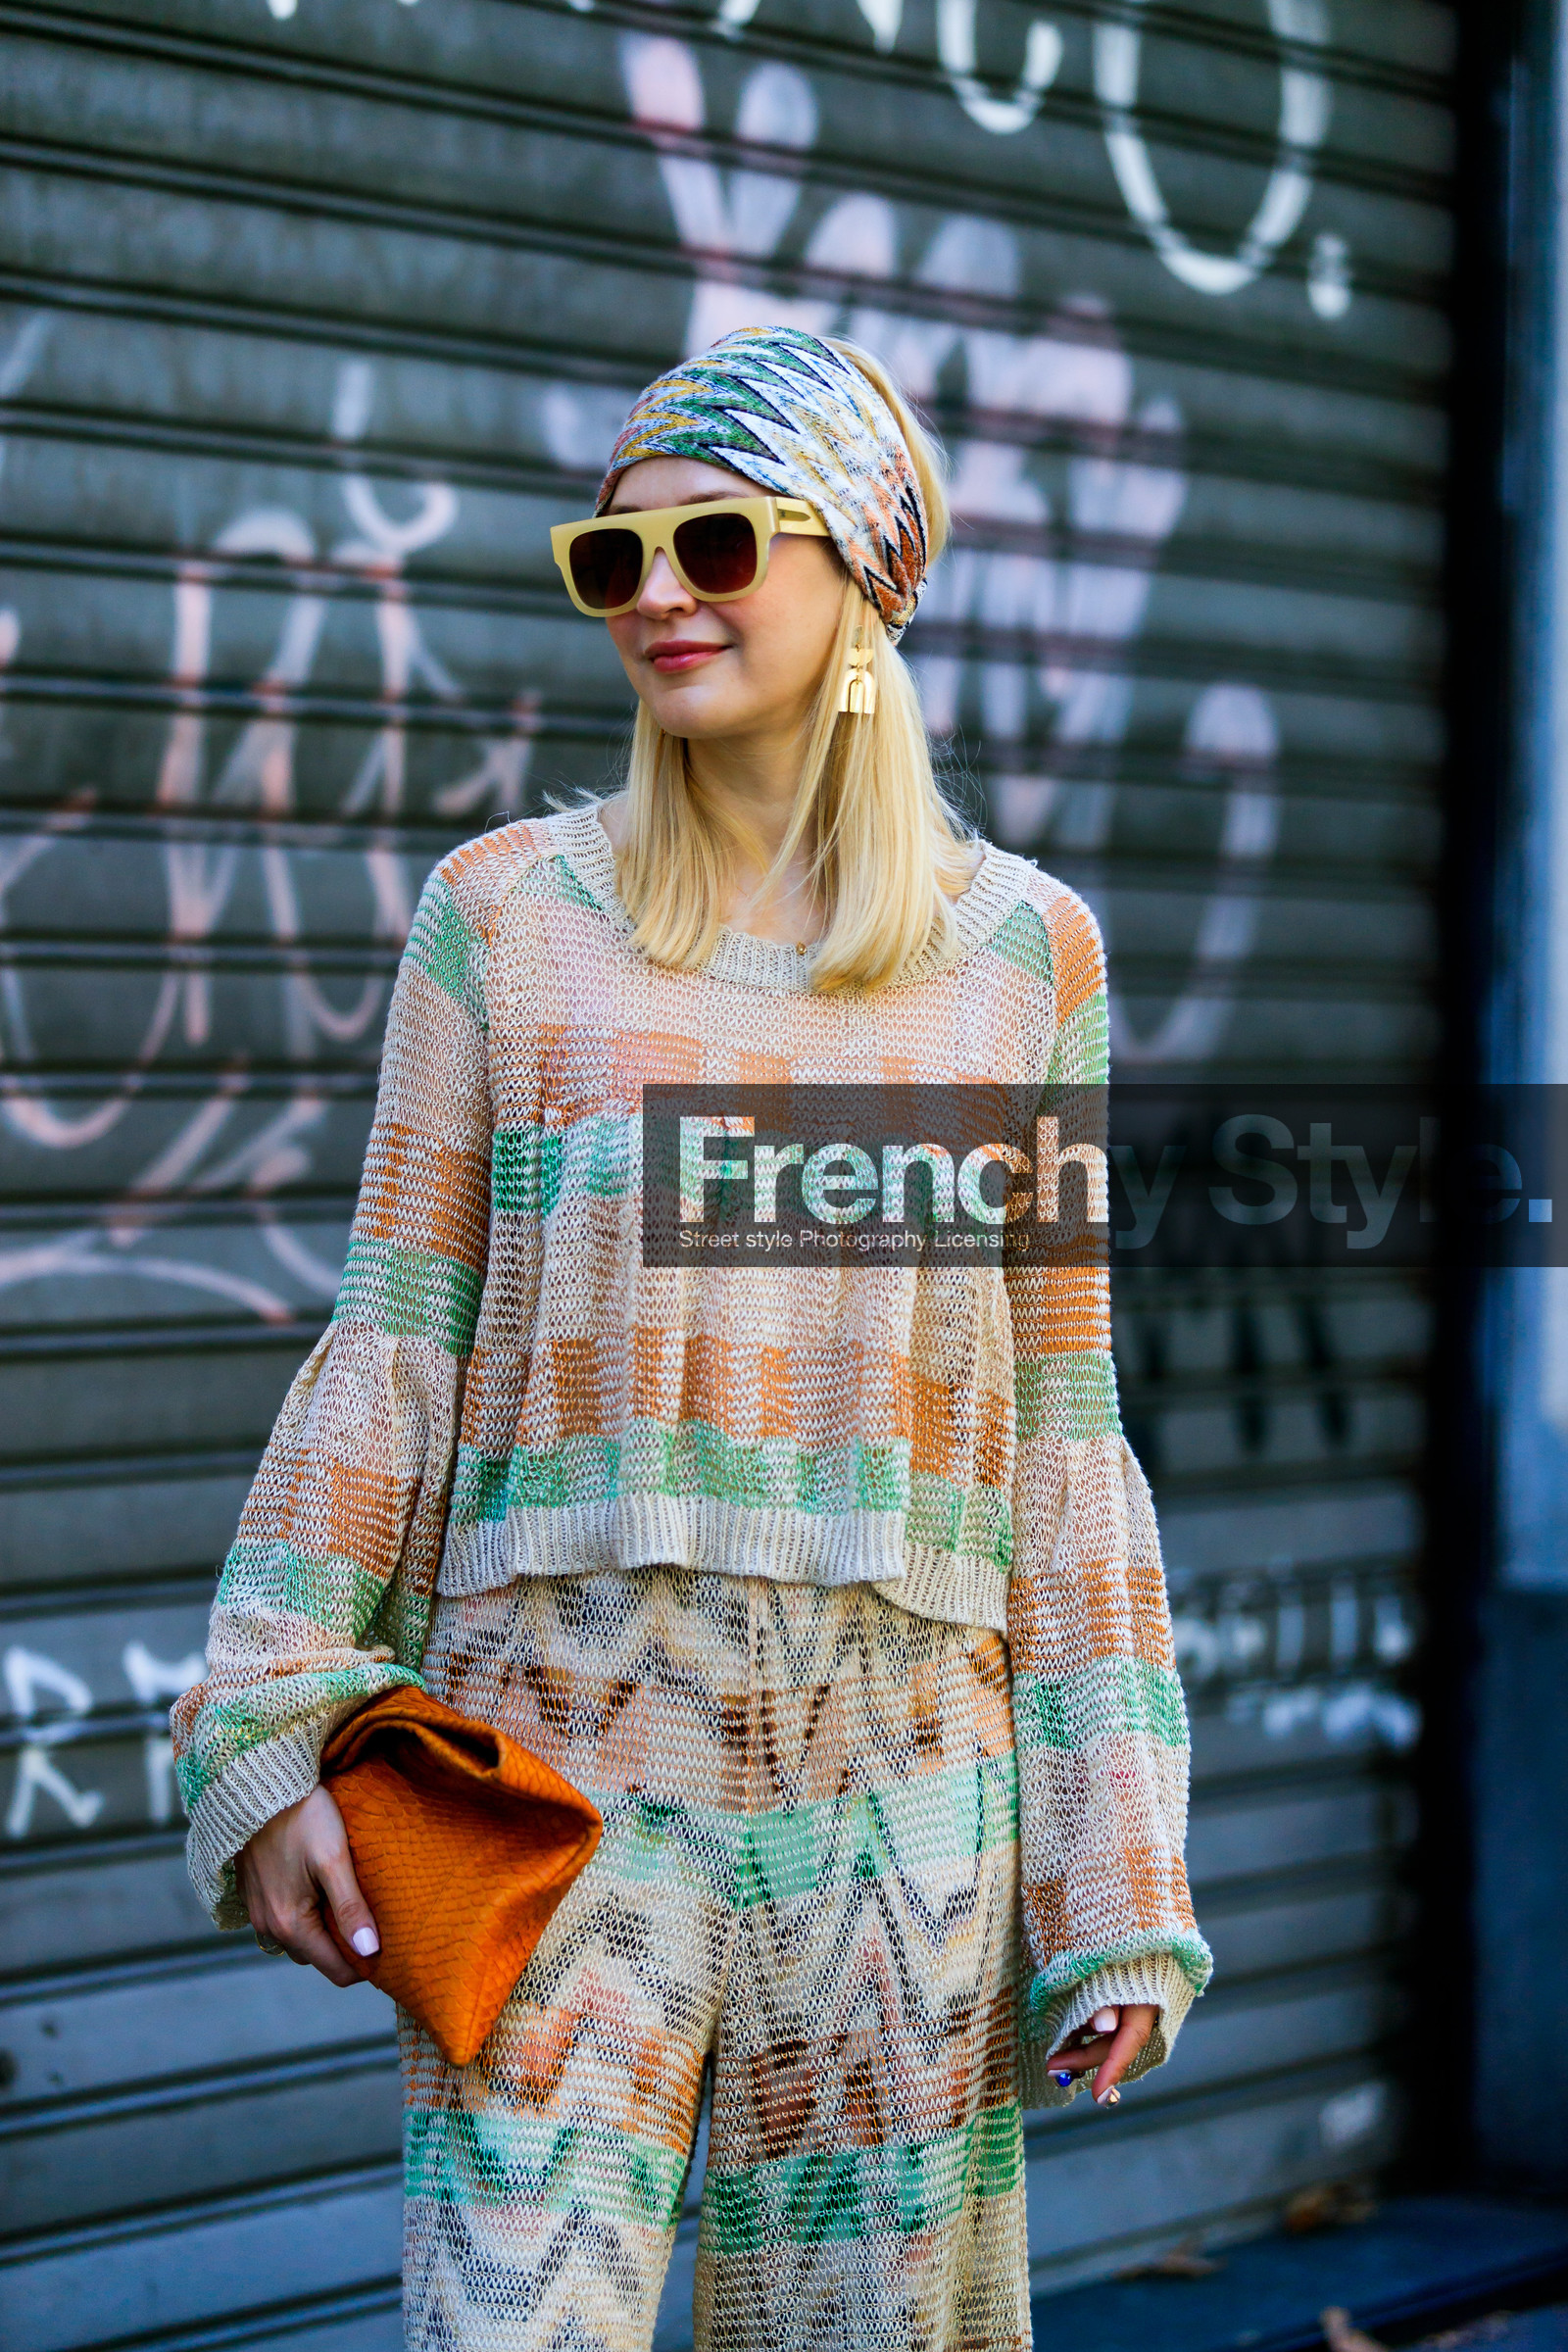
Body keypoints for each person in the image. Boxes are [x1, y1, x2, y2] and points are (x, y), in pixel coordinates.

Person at [172, 325, 1211, 2352]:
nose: (656, 593)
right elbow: (396, 1333)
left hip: (905, 1780)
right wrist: (271, 1713)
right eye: (613, 557)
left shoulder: (1024, 960)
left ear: (864, 578)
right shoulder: (502, 921)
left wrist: (1115, 1882)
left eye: (720, 544)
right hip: (552, 1769)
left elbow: (1064, 1427)